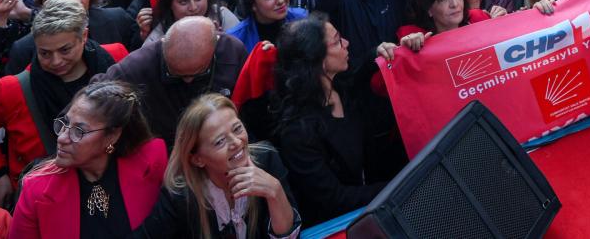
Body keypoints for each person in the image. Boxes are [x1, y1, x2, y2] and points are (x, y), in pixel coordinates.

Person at [0, 0, 129, 206]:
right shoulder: (12, 90)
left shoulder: (117, 58)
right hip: (47, 200)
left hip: (115, 184)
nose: (56, 61)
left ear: (84, 37)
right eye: (45, 53)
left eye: (65, 50)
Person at [273, 14, 404, 226]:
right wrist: (395, 187)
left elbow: (368, 63)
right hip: (338, 224)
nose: (346, 43)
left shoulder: (343, 85)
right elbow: (333, 199)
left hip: (375, 203)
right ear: (318, 60)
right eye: (337, 41)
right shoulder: (297, 131)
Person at [130, 94, 301, 239]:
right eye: (220, 142)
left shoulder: (267, 159)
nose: (236, 142)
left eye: (237, 128)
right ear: (198, 159)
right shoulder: (181, 197)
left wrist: (275, 192)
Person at [10, 80, 167, 237]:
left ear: (112, 136)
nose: (62, 138)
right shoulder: (36, 188)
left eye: (79, 131)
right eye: (65, 123)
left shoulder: (153, 162)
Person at [94, 15, 248, 148]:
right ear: (163, 44)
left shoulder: (232, 51)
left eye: (198, 73)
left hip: (221, 146)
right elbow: (94, 96)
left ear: (215, 45)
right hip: (167, 154)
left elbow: (253, 110)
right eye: (176, 74)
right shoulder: (137, 67)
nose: (188, 81)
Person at [5, 0, 141, 74]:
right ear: (48, 2)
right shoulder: (24, 48)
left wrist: (143, 35)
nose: (78, 0)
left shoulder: (117, 18)